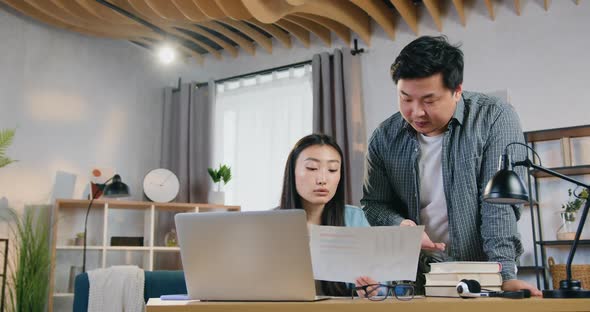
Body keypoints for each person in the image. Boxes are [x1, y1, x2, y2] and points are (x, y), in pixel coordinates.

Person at [361, 35, 542, 296]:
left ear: (457, 90)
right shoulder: (384, 137)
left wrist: (505, 275)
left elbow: (499, 208)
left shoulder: (494, 117)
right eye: (405, 98)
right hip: (413, 283)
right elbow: (374, 204)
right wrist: (401, 226)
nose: (416, 112)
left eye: (429, 100)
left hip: (481, 279)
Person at [279, 133, 380, 297]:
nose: (322, 179)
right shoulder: (270, 224)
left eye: (333, 169)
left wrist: (371, 290)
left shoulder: (358, 220)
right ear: (292, 171)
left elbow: (380, 283)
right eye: (312, 168)